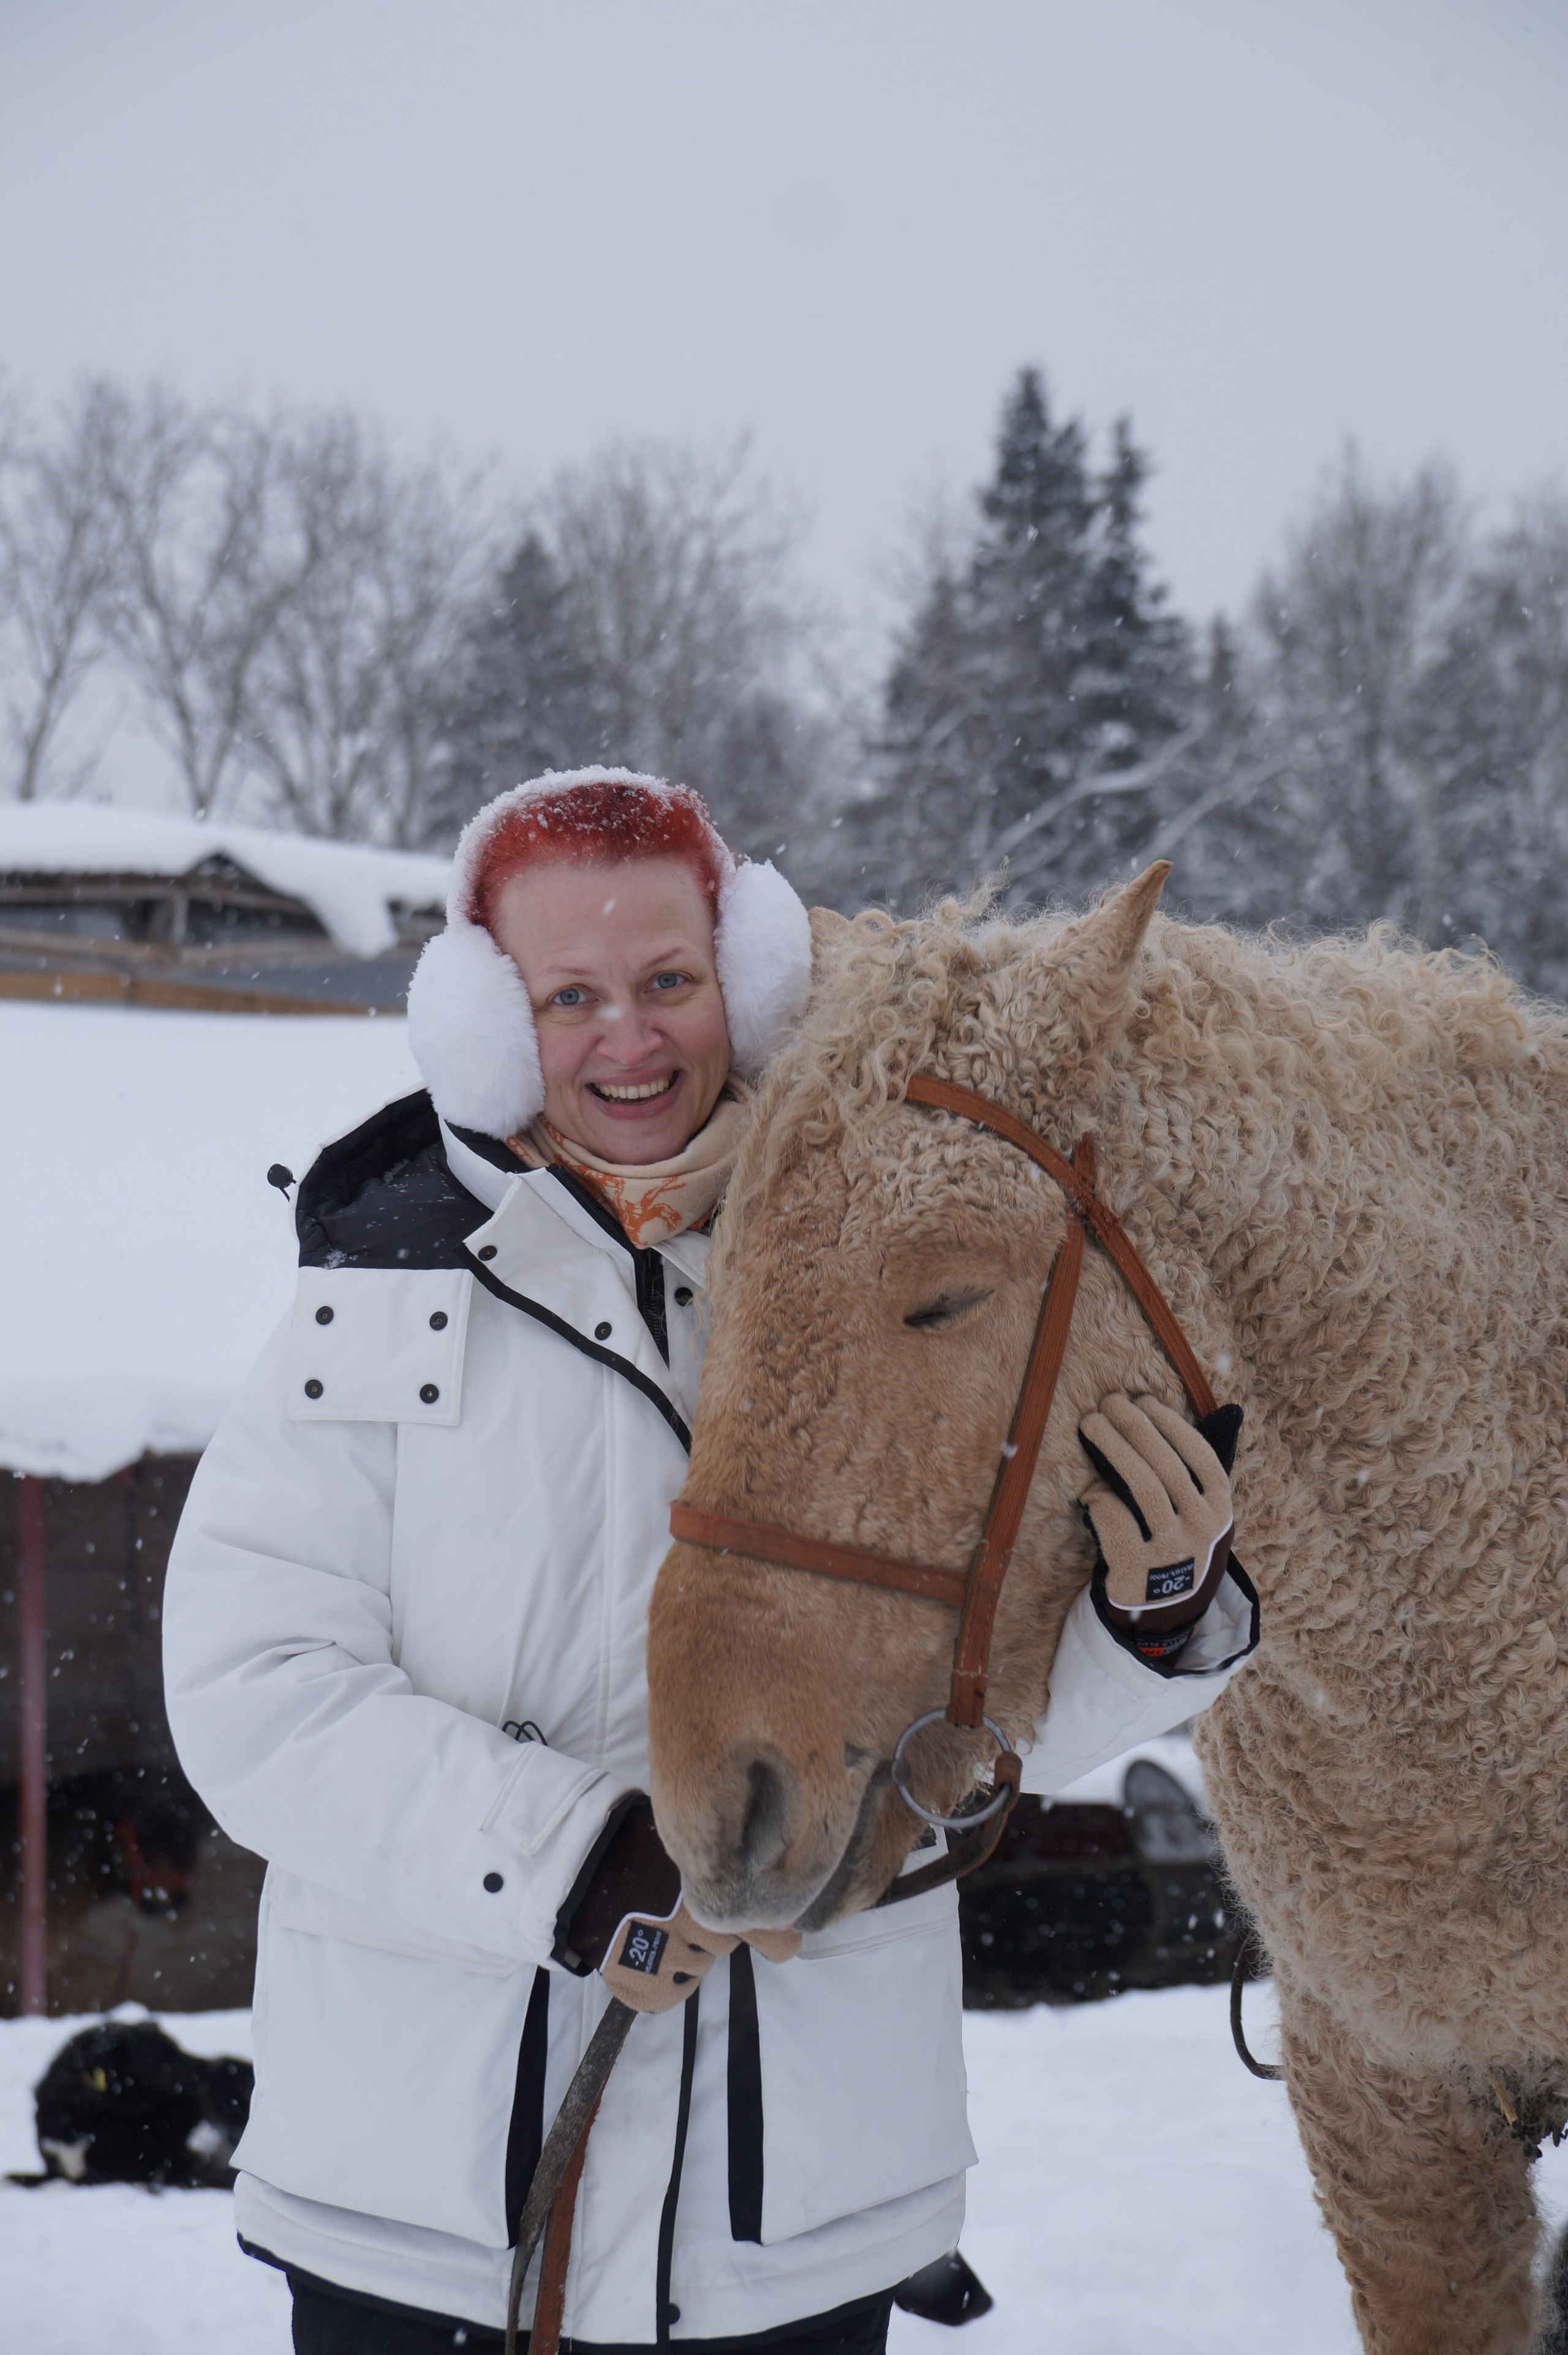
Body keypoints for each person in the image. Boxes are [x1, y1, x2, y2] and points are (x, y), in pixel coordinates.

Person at [162, 769, 1259, 2355]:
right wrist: (569, 1864)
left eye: (670, 980)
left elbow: (953, 1720)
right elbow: (254, 1691)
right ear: (489, 1020)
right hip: (432, 2213)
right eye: (572, 996)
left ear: (744, 982)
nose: (632, 1039)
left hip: (792, 2217)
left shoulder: (873, 1275)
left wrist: (1146, 1625)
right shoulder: (385, 1295)